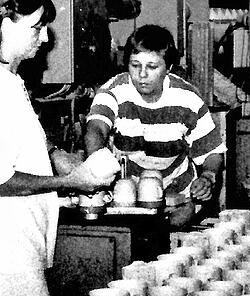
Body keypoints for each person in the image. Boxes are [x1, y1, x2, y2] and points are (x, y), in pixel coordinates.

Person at [0, 0, 112, 296]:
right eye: (37, 27)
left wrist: (57, 156)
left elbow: (24, 136)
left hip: (20, 243)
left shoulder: (8, 80)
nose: (44, 38)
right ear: (6, 23)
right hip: (7, 249)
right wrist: (70, 183)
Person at [84, 24, 226, 228]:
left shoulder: (187, 98)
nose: (142, 74)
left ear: (168, 68)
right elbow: (96, 128)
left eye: (152, 67)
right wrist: (96, 163)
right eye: (135, 65)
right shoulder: (114, 91)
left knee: (169, 237)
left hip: (177, 197)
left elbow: (211, 152)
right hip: (127, 197)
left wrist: (208, 177)